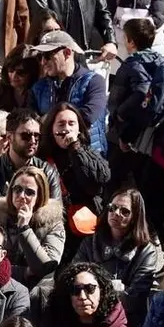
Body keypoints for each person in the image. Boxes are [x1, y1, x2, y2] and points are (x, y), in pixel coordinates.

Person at [74, 187, 160, 327]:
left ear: (135, 217)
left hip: (127, 322)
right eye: (112, 208)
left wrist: (95, 288)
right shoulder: (90, 243)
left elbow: (133, 300)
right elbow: (74, 280)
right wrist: (118, 287)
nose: (116, 213)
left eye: (124, 211)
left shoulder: (146, 251)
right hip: (88, 315)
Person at [0, 166, 65, 308]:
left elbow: (44, 267)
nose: (22, 196)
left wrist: (24, 228)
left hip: (37, 299)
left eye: (29, 192)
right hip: (0, 294)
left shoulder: (53, 223)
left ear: (40, 196)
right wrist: (23, 272)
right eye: (17, 189)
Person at [37, 103, 110, 248]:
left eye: (71, 124)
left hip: (86, 222)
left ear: (79, 128)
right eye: (61, 124)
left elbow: (100, 179)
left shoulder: (87, 151)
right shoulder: (43, 158)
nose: (67, 129)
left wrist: (75, 149)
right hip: (55, 226)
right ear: (52, 129)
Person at [28, 30, 109, 154]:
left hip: (87, 155)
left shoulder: (94, 81)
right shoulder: (39, 87)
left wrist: (49, 120)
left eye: (48, 56)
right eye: (40, 56)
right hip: (52, 158)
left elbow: (88, 116)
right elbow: (32, 120)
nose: (43, 62)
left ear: (67, 53)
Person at [0, 108, 64, 210]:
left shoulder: (47, 171)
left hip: (39, 226)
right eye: (26, 136)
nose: (33, 141)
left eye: (36, 136)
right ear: (9, 137)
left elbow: (55, 216)